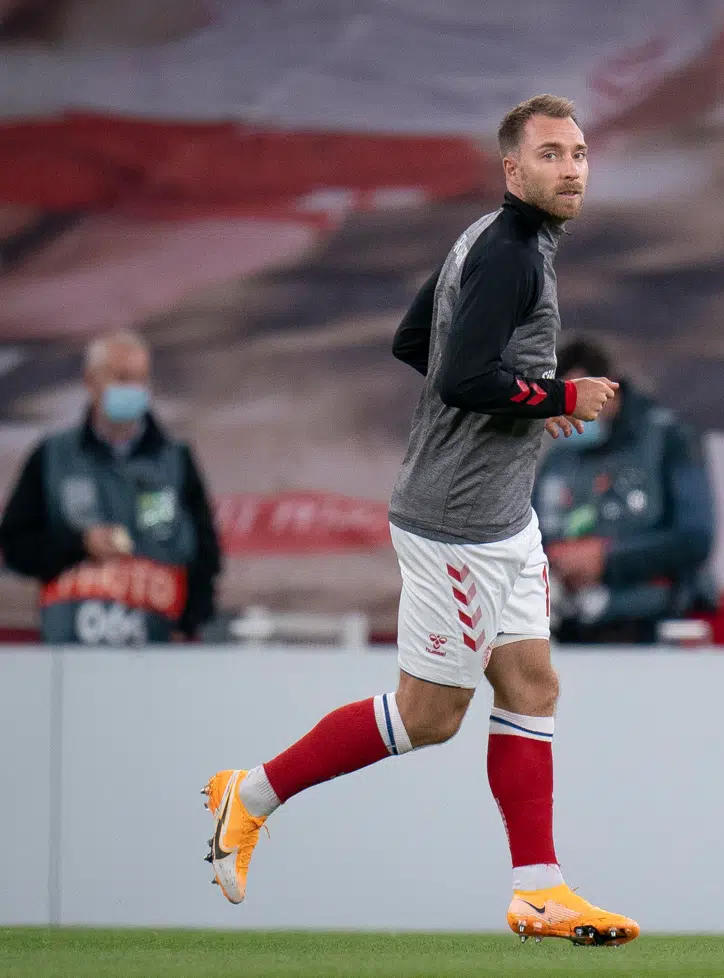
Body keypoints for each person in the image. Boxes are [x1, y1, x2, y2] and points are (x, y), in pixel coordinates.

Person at [200, 94, 640, 947]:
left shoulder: (488, 239)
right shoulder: (511, 253)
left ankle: (539, 891)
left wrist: (520, 401)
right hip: (459, 523)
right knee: (429, 718)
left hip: (502, 517)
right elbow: (456, 376)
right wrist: (554, 395)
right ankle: (250, 794)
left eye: (580, 153)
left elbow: (414, 341)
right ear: (513, 168)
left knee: (533, 687)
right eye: (551, 154)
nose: (573, 167)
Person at [0, 330, 221, 644]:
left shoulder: (175, 460)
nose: (133, 389)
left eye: (141, 379)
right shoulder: (53, 457)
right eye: (122, 378)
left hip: (159, 654)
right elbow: (15, 545)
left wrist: (189, 623)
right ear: (91, 382)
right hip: (73, 652)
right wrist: (79, 545)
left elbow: (206, 554)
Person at [535, 336, 716, 644]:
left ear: (609, 390)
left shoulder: (669, 441)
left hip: (652, 630)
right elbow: (528, 538)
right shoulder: (559, 459)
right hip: (570, 633)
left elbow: (695, 536)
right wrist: (557, 561)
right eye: (561, 405)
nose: (570, 416)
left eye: (576, 402)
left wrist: (607, 559)